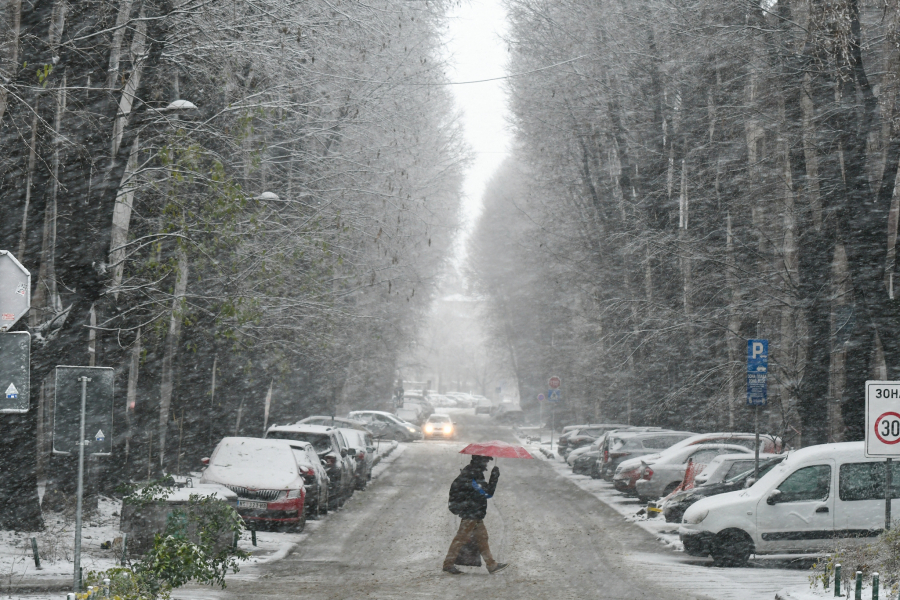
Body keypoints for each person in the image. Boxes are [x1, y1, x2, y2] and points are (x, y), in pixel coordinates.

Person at [443, 454, 509, 575]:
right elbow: (487, 493)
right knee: (460, 538)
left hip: (474, 512)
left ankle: (491, 565)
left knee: (482, 538)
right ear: (481, 461)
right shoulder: (472, 474)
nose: (487, 464)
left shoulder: (473, 472)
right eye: (486, 461)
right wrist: (494, 477)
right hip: (471, 512)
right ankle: (448, 564)